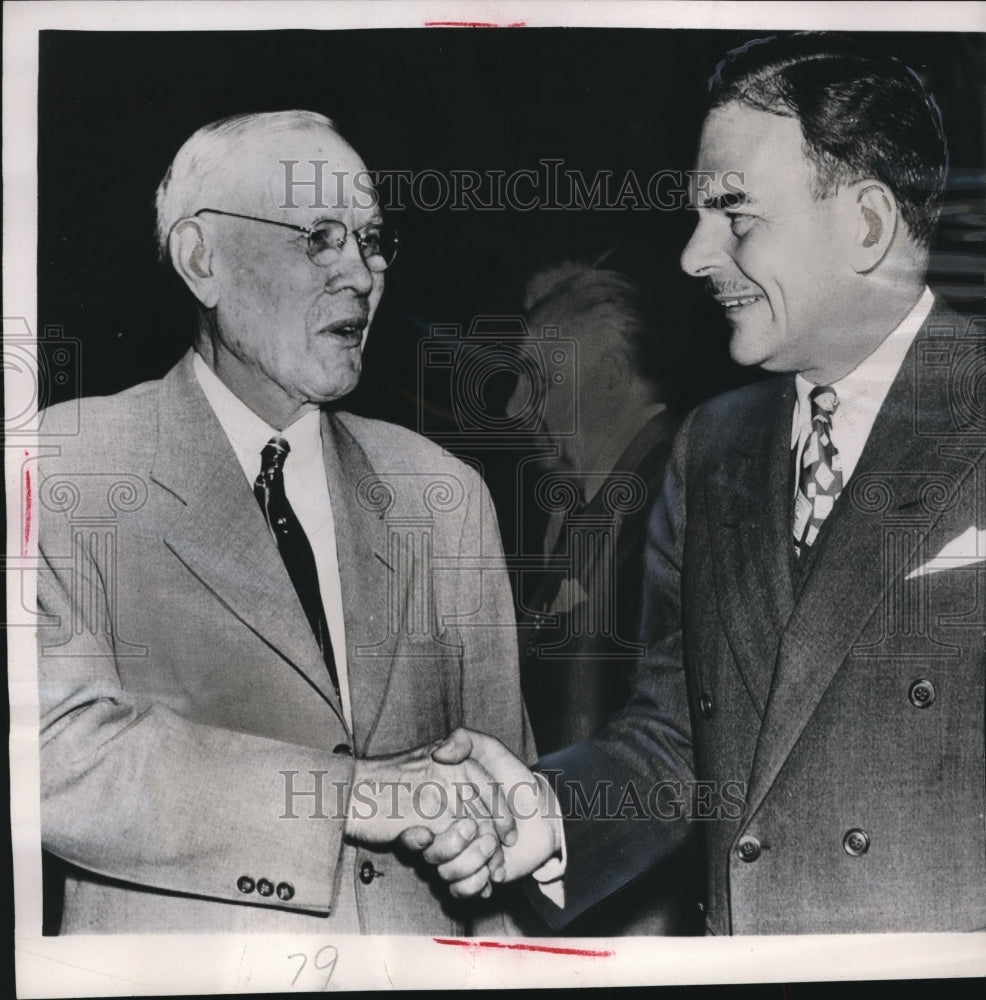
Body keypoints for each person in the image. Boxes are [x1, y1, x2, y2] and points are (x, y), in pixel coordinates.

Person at [407, 33, 986, 934]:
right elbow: (679, 743)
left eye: (735, 215)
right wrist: (545, 814)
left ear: (867, 226)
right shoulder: (713, 447)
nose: (692, 256)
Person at [36, 110, 529, 935]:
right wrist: (354, 795)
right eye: (320, 238)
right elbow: (55, 755)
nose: (361, 275)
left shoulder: (444, 494)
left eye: (372, 241)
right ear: (202, 260)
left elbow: (497, 808)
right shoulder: (69, 468)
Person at [506, 261, 702, 935]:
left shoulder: (674, 498)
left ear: (612, 375)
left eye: (538, 381)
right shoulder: (598, 506)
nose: (515, 407)